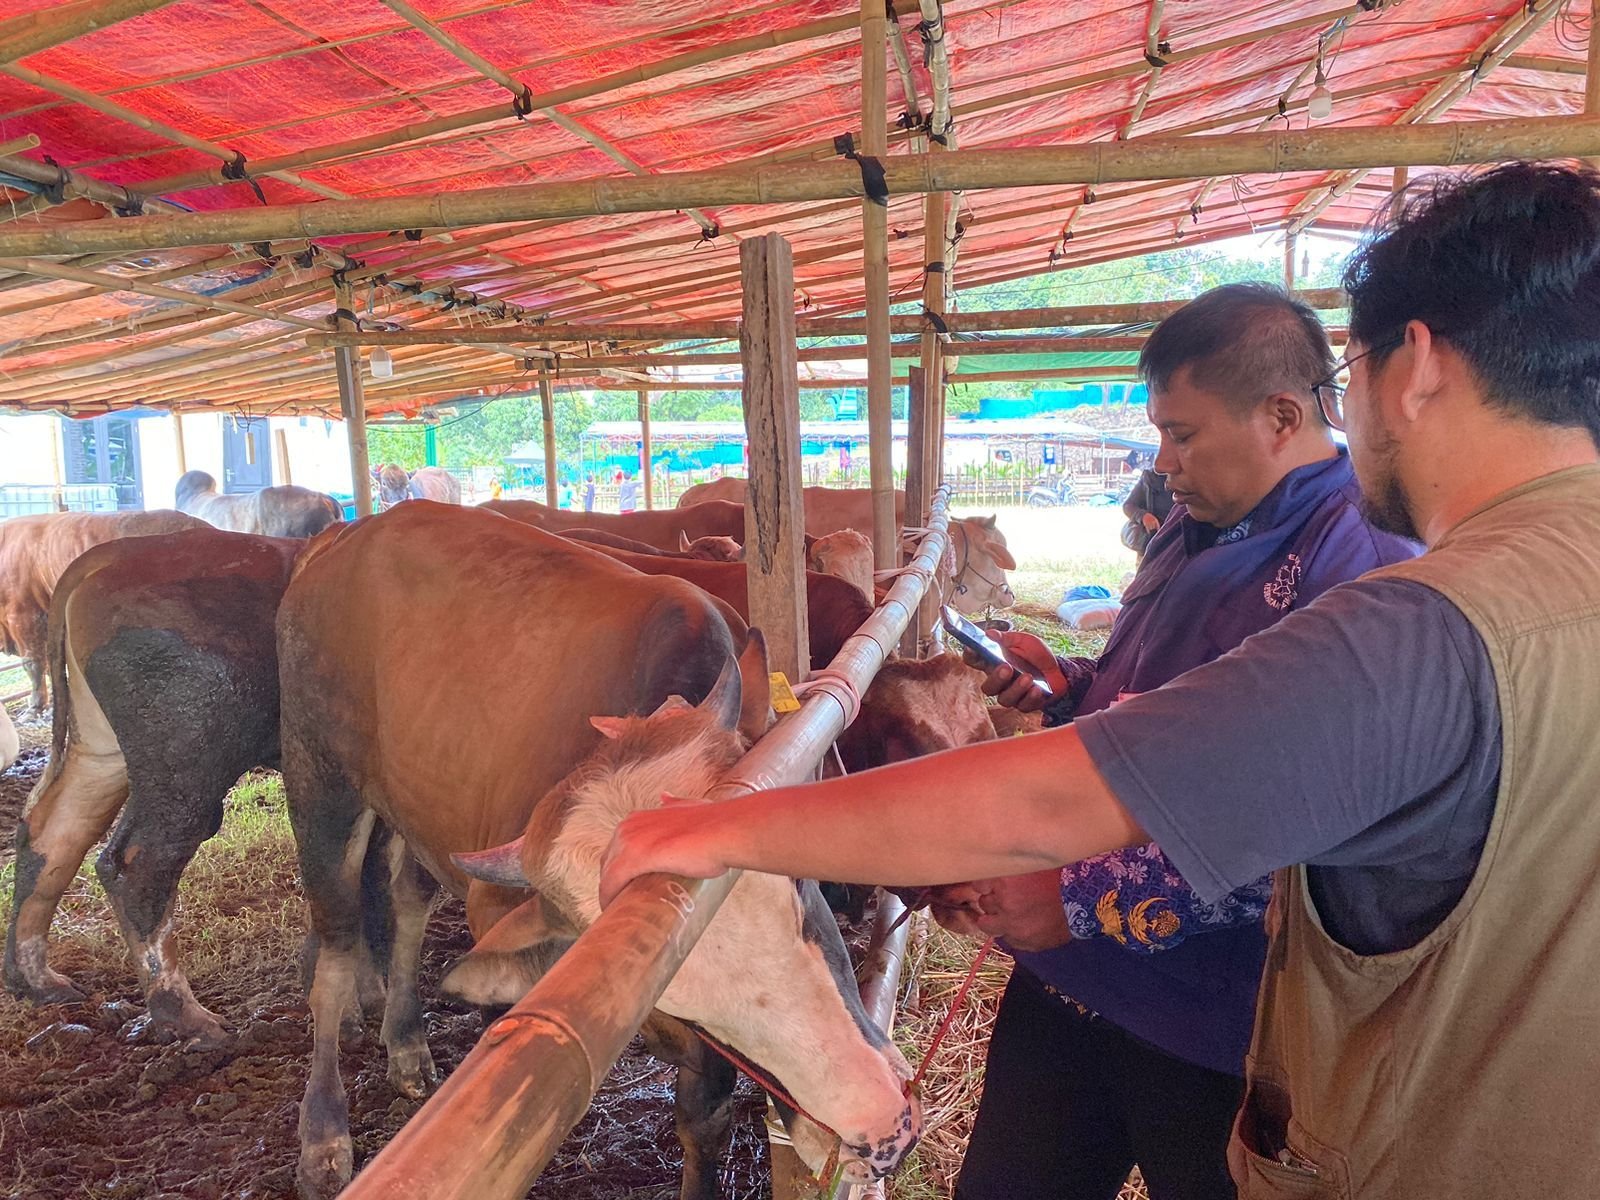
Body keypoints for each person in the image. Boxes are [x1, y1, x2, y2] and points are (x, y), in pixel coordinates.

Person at [600, 162, 1600, 1198]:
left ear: (1419, 364)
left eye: (1357, 367)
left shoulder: (1409, 610)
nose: (1164, 461)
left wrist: (706, 826)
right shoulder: (1247, 540)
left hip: (1254, 1047)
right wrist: (1078, 688)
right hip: (1124, 1010)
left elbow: (1052, 801)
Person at [928, 283, 1417, 1200]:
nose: (1165, 462)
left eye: (1182, 434)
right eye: (1160, 433)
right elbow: (1152, 692)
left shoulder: (1366, 563)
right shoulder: (1188, 527)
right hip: (1070, 986)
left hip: (1217, 1026)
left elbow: (1314, 814)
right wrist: (1070, 680)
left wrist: (1080, 897)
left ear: (1281, 414)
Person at [1120, 465, 1174, 563]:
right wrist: (1144, 516)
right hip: (1151, 544)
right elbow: (1128, 506)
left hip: (1180, 545)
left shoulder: (1192, 478)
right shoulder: (1150, 478)